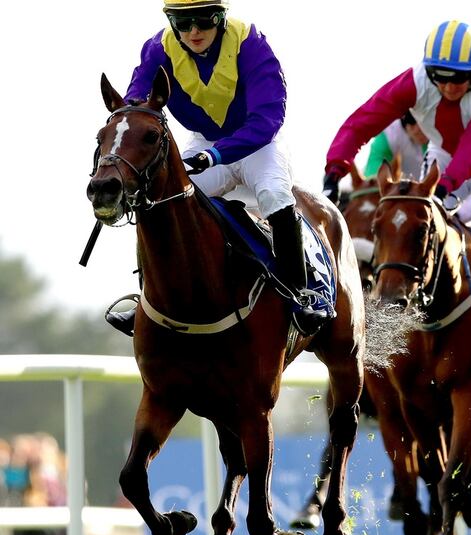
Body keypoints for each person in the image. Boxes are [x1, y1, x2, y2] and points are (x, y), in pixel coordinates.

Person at [323, 20, 471, 359]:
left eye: (459, 78)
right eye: (440, 77)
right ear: (428, 71)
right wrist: (336, 165)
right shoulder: (414, 81)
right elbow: (366, 118)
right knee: (424, 225)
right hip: (446, 155)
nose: (449, 87)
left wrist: (446, 185)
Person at [104, 0, 329, 337]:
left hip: (258, 145)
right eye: (182, 22)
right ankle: (147, 295)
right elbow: (137, 101)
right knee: (159, 196)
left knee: (274, 193)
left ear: (221, 18)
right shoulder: (157, 48)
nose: (193, 31)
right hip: (206, 142)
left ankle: (302, 294)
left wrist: (216, 155)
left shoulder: (251, 43)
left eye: (203, 20)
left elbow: (267, 119)